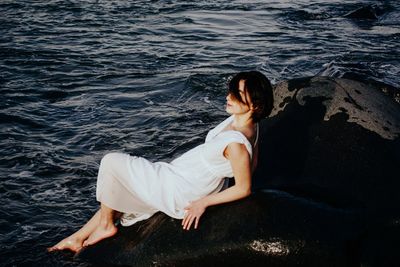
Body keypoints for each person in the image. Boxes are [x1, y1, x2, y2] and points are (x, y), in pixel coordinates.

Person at [48, 70, 274, 253]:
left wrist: (203, 202)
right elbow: (253, 166)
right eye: (231, 91)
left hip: (184, 188)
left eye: (237, 94)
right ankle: (76, 238)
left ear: (254, 105)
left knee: (111, 162)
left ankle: (107, 226)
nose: (228, 96)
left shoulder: (236, 144)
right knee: (119, 190)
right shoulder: (248, 126)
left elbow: (244, 187)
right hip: (186, 176)